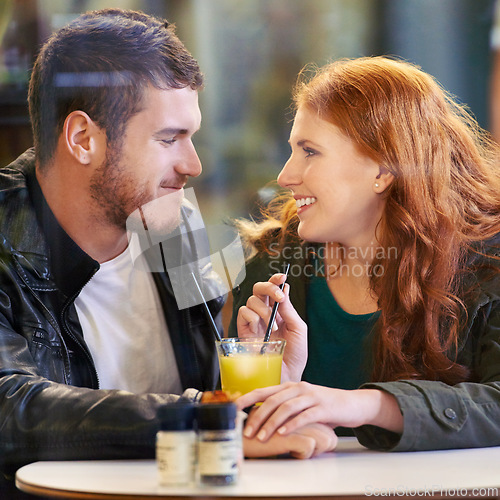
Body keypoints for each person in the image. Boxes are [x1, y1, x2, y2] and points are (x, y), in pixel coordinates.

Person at [0, 8, 336, 498]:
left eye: (191, 135)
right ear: (82, 138)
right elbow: (12, 406)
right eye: (168, 138)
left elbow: (201, 392)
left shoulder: (171, 221)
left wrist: (254, 390)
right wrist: (207, 418)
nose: (193, 164)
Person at [231, 56, 500, 452]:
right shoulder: (274, 261)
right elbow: (238, 430)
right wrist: (267, 387)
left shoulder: (487, 263)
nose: (286, 176)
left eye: (309, 151)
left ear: (383, 170)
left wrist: (365, 406)